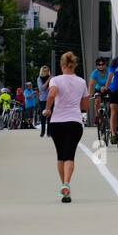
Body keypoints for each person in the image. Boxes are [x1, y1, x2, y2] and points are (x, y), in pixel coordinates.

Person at [42, 52, 88, 203]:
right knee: (70, 155)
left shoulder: (55, 79)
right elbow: (85, 105)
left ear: (62, 65)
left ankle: (64, 187)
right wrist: (81, 108)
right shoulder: (81, 82)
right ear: (74, 65)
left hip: (57, 123)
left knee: (60, 155)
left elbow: (52, 93)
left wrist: (48, 108)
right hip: (74, 122)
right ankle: (67, 184)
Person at [88, 57, 110, 128]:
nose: (101, 66)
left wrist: (106, 87)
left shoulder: (109, 71)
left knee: (111, 102)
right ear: (97, 66)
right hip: (99, 89)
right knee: (97, 101)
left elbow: (113, 80)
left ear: (105, 64)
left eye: (102, 64)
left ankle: (109, 115)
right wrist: (90, 94)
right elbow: (91, 85)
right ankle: (97, 116)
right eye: (99, 65)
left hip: (109, 88)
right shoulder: (94, 73)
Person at [36, 66, 52, 135]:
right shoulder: (39, 79)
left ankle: (49, 132)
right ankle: (42, 131)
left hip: (50, 98)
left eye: (48, 70)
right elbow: (41, 88)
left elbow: (54, 87)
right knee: (43, 115)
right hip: (43, 99)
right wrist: (48, 80)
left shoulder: (52, 77)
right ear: (42, 71)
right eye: (45, 70)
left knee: (50, 115)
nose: (47, 72)